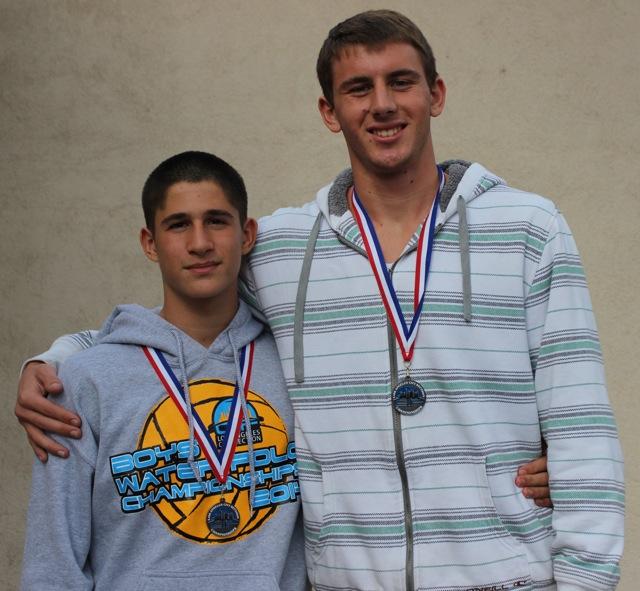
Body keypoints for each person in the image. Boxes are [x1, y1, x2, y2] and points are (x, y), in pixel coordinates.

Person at [16, 9, 623, 590]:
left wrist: (586, 578)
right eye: (358, 88)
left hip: (506, 577)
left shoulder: (528, 229)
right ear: (330, 112)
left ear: (435, 95)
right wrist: (55, 360)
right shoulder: (281, 250)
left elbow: (581, 426)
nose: (382, 104)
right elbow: (184, 314)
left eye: (401, 82)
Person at [20, 151, 307, 590]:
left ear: (246, 234)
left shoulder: (293, 363)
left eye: (216, 220)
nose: (200, 243)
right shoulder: (84, 381)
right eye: (178, 225)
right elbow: (54, 563)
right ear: (150, 242)